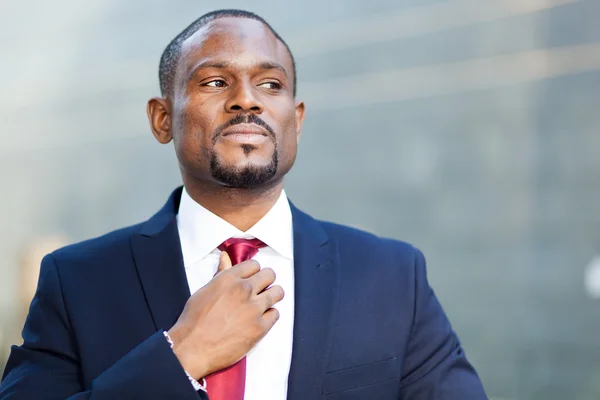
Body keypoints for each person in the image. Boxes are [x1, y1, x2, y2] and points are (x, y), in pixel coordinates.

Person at [0, 9, 488, 400]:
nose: (247, 101)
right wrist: (180, 355)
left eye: (270, 85)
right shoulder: (77, 280)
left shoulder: (391, 276)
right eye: (215, 81)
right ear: (162, 118)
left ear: (295, 121)